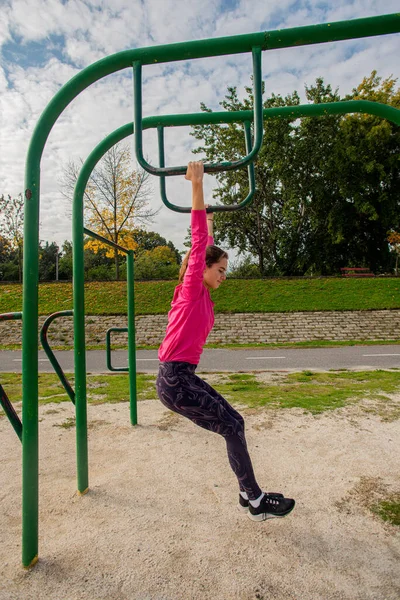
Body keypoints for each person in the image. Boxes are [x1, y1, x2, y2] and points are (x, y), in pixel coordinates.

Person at [156, 161, 295, 522]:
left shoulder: (197, 296)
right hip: (175, 380)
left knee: (234, 423)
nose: (224, 277)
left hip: (180, 378)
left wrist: (211, 220)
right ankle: (254, 499)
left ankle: (248, 493)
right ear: (201, 269)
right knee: (232, 425)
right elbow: (199, 242)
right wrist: (197, 184)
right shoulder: (189, 290)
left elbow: (206, 243)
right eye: (220, 271)